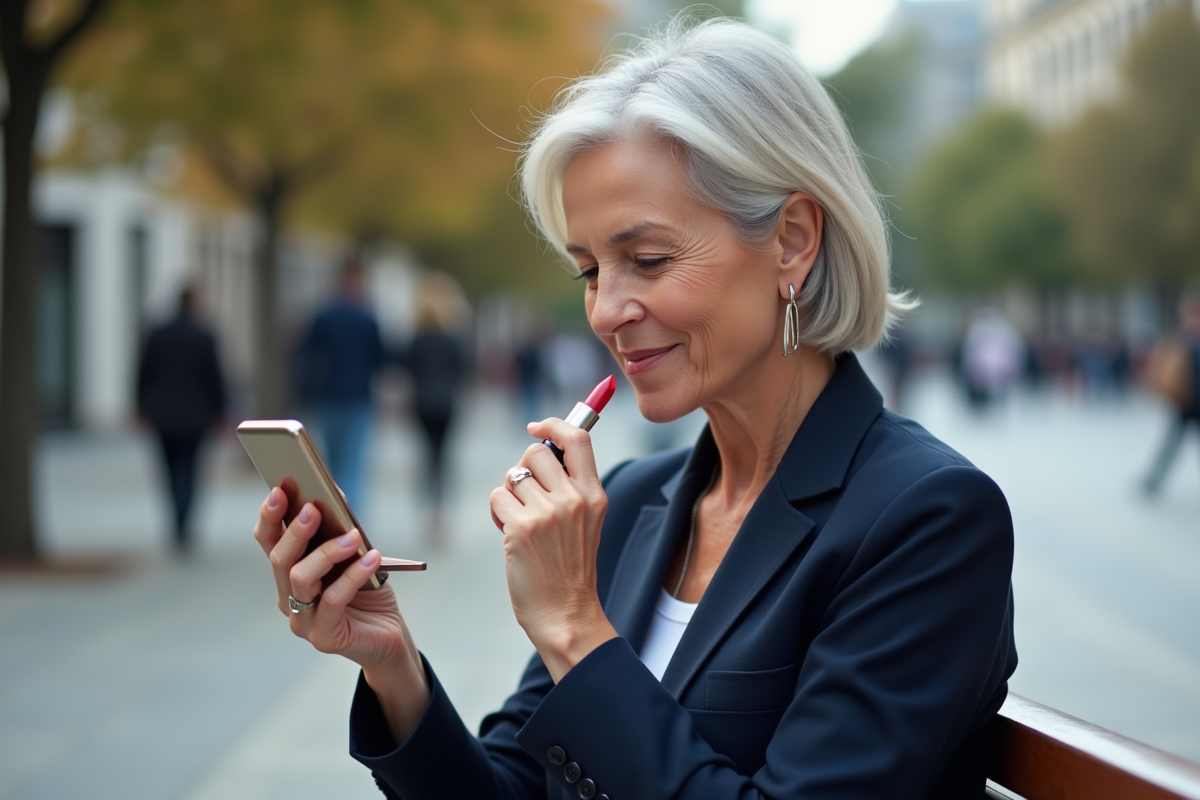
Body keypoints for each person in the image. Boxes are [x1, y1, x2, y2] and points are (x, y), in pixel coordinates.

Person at [253, 18, 1016, 800]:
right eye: (589, 271)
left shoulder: (928, 518)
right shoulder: (630, 501)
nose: (607, 311)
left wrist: (577, 630)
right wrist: (392, 663)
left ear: (791, 239)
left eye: (647, 260)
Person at [137, 286, 226, 553]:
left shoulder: (158, 333)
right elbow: (215, 378)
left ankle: (176, 523)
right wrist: (219, 411)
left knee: (169, 469)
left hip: (163, 414)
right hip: (195, 415)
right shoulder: (204, 335)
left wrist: (140, 406)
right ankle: (184, 525)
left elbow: (143, 372)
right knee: (189, 469)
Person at [294, 256, 386, 514]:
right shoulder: (367, 318)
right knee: (353, 460)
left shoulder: (323, 316)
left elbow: (304, 352)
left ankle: (334, 508)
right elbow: (381, 359)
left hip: (327, 395)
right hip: (357, 397)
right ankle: (350, 511)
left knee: (331, 459)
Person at [403, 271, 470, 538]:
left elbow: (407, 369)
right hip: (446, 404)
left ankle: (426, 510)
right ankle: (440, 512)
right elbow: (462, 370)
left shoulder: (417, 339)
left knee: (425, 456)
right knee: (443, 457)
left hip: (421, 403)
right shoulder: (452, 339)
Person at [1141, 294, 1200, 496]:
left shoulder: (1181, 337)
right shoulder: (1179, 337)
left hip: (1190, 402)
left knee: (1170, 444)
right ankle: (1153, 480)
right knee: (1170, 445)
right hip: (1184, 402)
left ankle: (1153, 480)